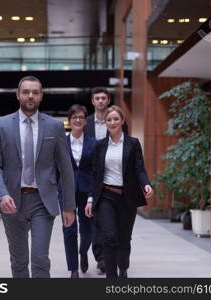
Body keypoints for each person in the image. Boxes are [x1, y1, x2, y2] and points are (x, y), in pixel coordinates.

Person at [0, 75, 75, 278]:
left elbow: (65, 168)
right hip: (12, 201)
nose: (30, 96)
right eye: (26, 92)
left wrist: (69, 206)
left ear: (41, 96)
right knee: (18, 260)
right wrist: (1, 194)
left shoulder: (54, 126)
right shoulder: (2, 126)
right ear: (17, 95)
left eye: (35, 92)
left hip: (42, 201)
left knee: (39, 258)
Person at [85, 105, 153, 278]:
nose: (113, 122)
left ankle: (123, 267)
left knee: (124, 239)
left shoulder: (133, 143)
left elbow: (139, 169)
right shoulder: (99, 146)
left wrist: (146, 184)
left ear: (122, 121)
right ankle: (111, 276)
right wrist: (91, 200)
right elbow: (95, 175)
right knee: (109, 236)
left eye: (116, 119)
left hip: (127, 197)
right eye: (109, 120)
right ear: (106, 123)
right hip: (106, 196)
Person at [84, 87, 129, 273]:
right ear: (93, 101)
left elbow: (125, 147)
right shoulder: (86, 124)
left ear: (108, 100)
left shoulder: (118, 122)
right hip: (92, 177)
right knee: (95, 221)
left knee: (113, 225)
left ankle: (114, 258)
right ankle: (101, 257)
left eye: (104, 98)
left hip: (113, 180)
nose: (101, 101)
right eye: (97, 98)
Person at [58, 104, 96, 278]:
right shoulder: (61, 143)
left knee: (88, 230)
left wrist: (93, 195)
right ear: (69, 120)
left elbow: (97, 171)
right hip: (67, 192)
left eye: (81, 117)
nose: (78, 120)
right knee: (69, 229)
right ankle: (73, 268)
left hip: (87, 191)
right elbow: (56, 169)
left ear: (85, 121)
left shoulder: (93, 144)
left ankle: (83, 251)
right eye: (75, 117)